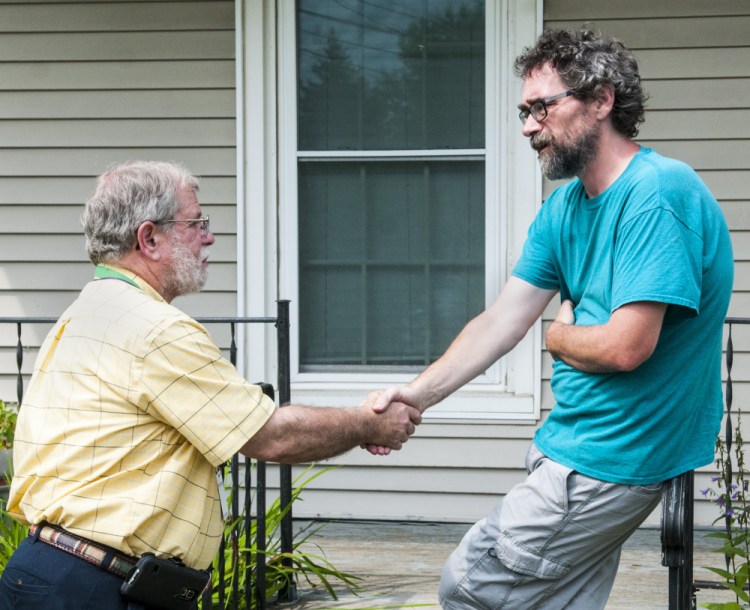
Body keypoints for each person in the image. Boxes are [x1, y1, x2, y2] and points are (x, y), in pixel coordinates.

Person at [365, 25, 734, 609]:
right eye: (524, 111)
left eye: (542, 107)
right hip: (571, 446)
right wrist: (416, 395)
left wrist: (560, 337)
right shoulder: (564, 207)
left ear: (601, 100)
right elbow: (503, 319)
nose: (528, 126)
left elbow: (625, 346)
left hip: (611, 458)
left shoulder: (657, 193)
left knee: (467, 585)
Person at [0, 160, 422, 610]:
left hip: (49, 574)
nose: (209, 236)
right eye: (196, 222)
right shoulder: (155, 330)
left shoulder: (83, 315)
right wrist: (368, 424)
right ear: (149, 238)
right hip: (95, 588)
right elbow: (272, 436)